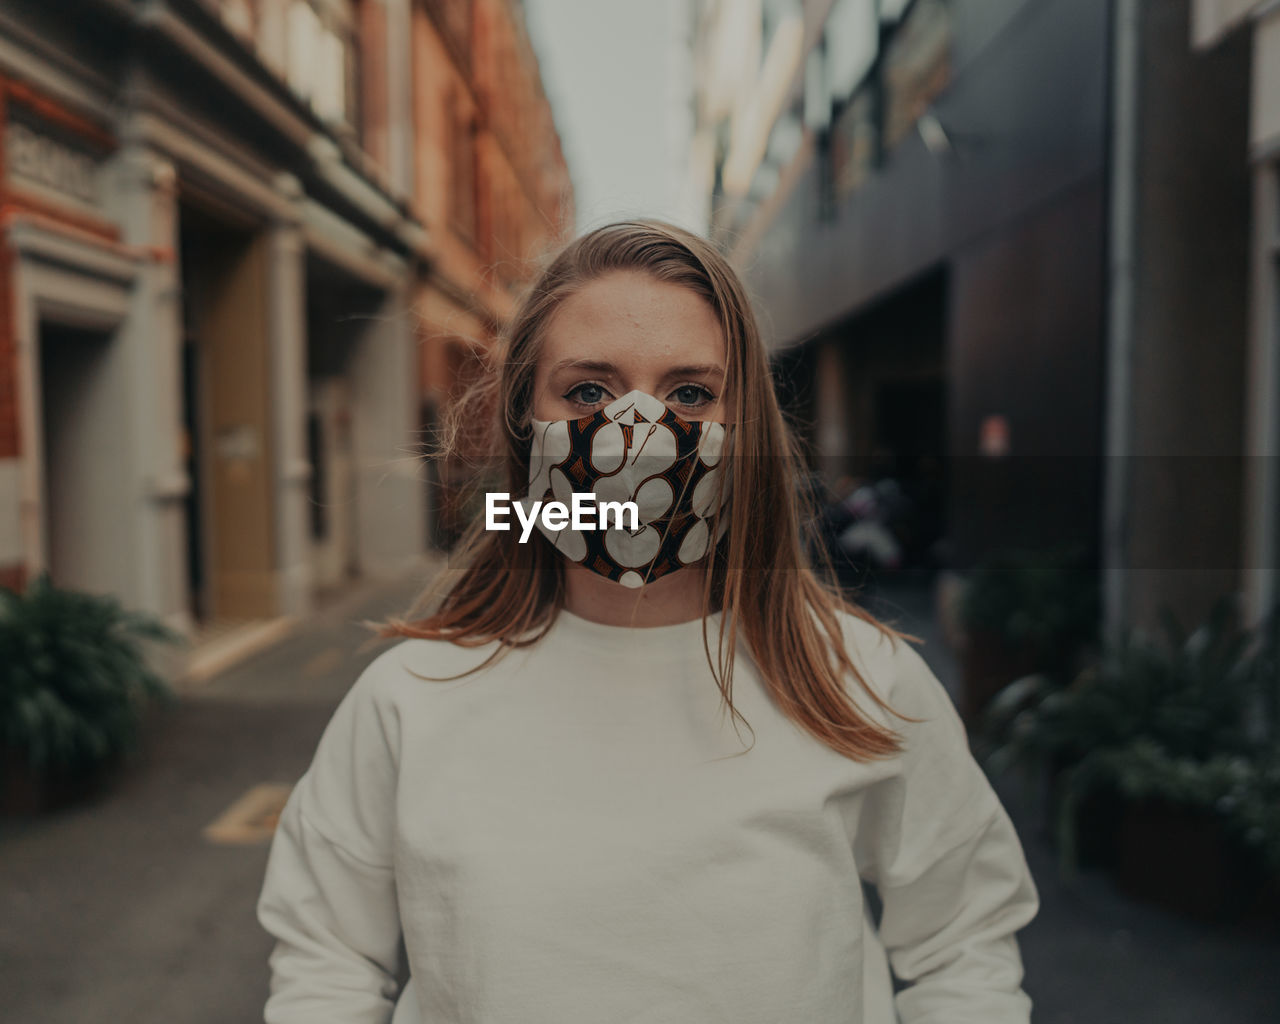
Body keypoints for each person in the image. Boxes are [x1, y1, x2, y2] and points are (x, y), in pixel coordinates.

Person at [256, 220, 1040, 1023]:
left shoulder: (861, 678)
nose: (639, 436)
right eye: (589, 390)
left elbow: (963, 945)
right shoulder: (410, 697)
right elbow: (327, 955)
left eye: (691, 393)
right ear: (526, 419)